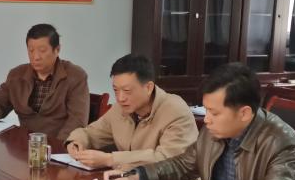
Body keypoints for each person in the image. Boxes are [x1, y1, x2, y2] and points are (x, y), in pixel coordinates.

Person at [101, 63, 295, 180]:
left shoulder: (280, 140)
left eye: (214, 113)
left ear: (244, 113)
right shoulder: (212, 131)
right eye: (206, 111)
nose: (206, 119)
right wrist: (137, 176)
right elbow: (183, 165)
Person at [65, 54, 198, 168]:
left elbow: (169, 160)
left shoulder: (175, 111)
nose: (120, 98)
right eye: (116, 90)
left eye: (127, 90)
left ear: (148, 87)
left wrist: (110, 159)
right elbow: (91, 133)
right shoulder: (120, 108)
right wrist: (76, 142)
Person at [0, 23, 89, 141]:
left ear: (57, 50)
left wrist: (55, 147)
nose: (36, 57)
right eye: (31, 51)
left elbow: (77, 122)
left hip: (58, 146)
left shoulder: (75, 76)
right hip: (24, 145)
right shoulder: (17, 75)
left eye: (42, 51)